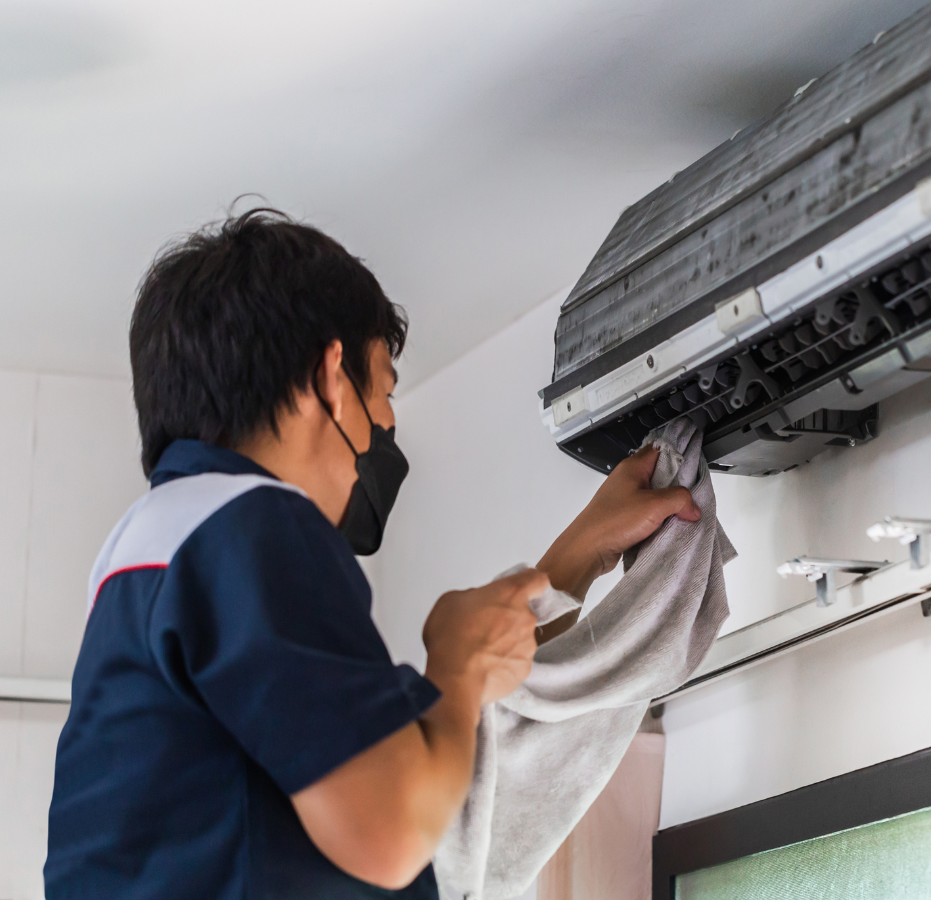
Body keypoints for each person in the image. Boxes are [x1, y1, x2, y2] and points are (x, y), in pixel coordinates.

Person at [44, 209, 700, 899]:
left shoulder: (155, 548)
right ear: (332, 375)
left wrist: (582, 552)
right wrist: (456, 667)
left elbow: (401, 757)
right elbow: (393, 834)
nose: (386, 422)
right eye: (384, 389)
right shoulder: (252, 526)